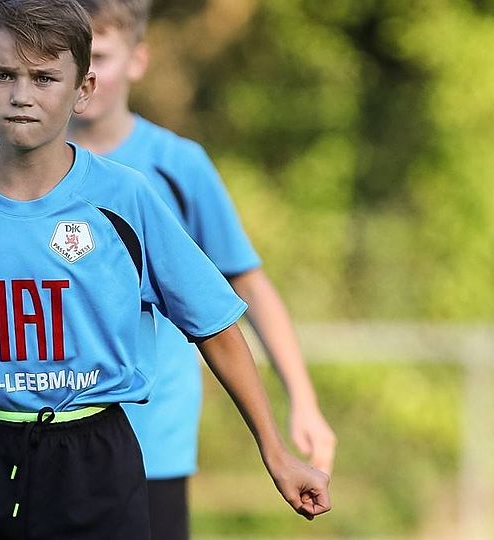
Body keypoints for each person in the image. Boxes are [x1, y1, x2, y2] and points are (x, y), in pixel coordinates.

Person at [0, 1, 331, 539]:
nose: (22, 94)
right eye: (3, 75)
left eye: (44, 78)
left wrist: (275, 451)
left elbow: (214, 324)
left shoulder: (125, 197)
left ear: (83, 88)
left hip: (89, 458)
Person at [67, 1, 338, 537]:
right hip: (45, 434)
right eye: (74, 57)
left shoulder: (177, 164)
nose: (87, 73)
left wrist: (303, 401)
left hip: (152, 438)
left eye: (100, 56)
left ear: (138, 60)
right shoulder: (23, 166)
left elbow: (244, 282)